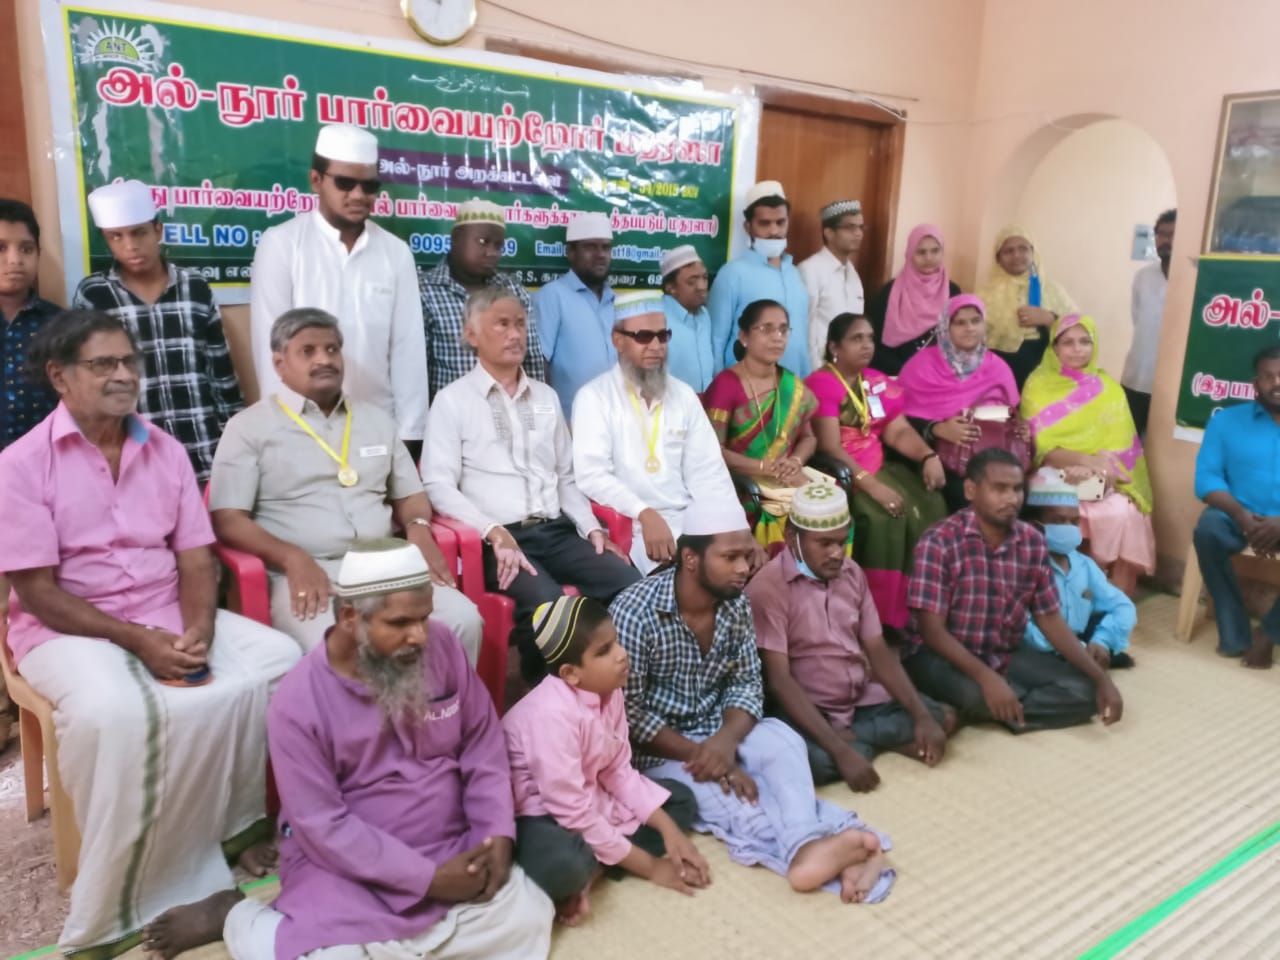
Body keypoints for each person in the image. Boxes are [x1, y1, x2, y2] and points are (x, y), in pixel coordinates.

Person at [0, 309, 300, 954]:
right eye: (102, 364)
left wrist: (194, 629)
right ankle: (121, 892)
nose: (122, 375)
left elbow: (196, 558)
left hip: (168, 610)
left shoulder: (163, 448)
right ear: (60, 376)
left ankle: (233, 833)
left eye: (128, 362)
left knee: (280, 661)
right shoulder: (22, 464)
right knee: (115, 712)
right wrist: (138, 641)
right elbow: (37, 591)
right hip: (66, 627)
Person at [142, 539, 554, 960]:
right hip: (352, 867)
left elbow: (482, 745)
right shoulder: (298, 702)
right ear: (349, 618)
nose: (419, 636)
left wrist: (495, 832)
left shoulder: (442, 646)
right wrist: (425, 880)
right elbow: (322, 824)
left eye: (425, 618)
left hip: (449, 840)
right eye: (399, 623)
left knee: (527, 919)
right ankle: (237, 914)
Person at [611, 501, 895, 905]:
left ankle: (811, 852)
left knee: (781, 742)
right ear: (690, 559)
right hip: (663, 751)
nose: (744, 568)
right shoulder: (635, 612)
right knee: (735, 804)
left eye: (746, 555)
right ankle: (848, 849)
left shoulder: (736, 604)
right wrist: (707, 755)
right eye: (730, 558)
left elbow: (746, 685)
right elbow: (628, 714)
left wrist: (725, 743)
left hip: (721, 731)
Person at [208, 308, 482, 660]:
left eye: (332, 349)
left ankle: (445, 713)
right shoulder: (248, 428)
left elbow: (411, 494)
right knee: (336, 641)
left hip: (385, 563)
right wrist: (292, 557)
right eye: (307, 351)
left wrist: (417, 527)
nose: (324, 359)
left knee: (462, 620)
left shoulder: (375, 420)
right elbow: (228, 518)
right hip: (310, 570)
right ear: (279, 364)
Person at [423, 288, 638, 628]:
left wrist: (591, 527)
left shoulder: (546, 396)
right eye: (502, 324)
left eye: (521, 325)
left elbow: (566, 476)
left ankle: (619, 677)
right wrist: (491, 530)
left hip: (556, 532)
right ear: (471, 334)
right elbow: (438, 485)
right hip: (497, 540)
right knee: (548, 607)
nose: (514, 334)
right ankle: (546, 681)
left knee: (630, 584)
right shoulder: (452, 402)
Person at [504, 596, 710, 926]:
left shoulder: (609, 690)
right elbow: (569, 809)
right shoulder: (550, 716)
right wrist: (652, 867)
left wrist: (670, 831)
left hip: (590, 798)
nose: (621, 655)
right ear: (570, 673)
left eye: (615, 642)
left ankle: (597, 865)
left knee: (681, 800)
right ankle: (594, 865)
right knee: (563, 869)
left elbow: (618, 771)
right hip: (539, 814)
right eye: (604, 651)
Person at [747, 483, 954, 792]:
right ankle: (858, 744)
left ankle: (859, 741)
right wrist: (839, 751)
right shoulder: (769, 588)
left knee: (938, 717)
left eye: (842, 542)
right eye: (825, 543)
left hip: (860, 700)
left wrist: (921, 716)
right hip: (811, 710)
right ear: (793, 539)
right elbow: (780, 682)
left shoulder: (851, 572)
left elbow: (878, 651)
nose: (836, 553)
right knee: (814, 763)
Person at [904, 449, 1125, 732]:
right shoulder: (939, 542)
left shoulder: (1032, 541)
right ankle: (991, 704)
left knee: (1084, 690)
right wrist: (986, 679)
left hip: (1002, 651)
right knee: (976, 693)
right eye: (999, 489)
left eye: (1017, 489)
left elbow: (1050, 619)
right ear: (971, 490)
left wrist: (1101, 680)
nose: (1011, 498)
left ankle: (991, 710)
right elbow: (932, 632)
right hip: (941, 656)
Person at [250, 124, 427, 459]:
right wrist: (284, 434)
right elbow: (269, 351)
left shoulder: (395, 252)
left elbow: (408, 353)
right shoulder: (282, 245)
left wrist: (410, 437)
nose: (359, 195)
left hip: (378, 431)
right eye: (345, 183)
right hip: (303, 432)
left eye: (370, 185)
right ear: (316, 180)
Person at [73, 179, 243, 482]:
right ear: (106, 240)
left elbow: (221, 374)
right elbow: (84, 384)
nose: (130, 246)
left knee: (210, 529)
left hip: (202, 450)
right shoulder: (94, 295)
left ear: (158, 230)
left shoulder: (195, 289)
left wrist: (238, 441)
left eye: (139, 232)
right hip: (131, 455)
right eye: (116, 237)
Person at [572, 291, 738, 573]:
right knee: (686, 581)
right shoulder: (594, 397)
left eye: (663, 336)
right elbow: (592, 475)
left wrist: (735, 528)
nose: (656, 346)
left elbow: (709, 472)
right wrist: (644, 512)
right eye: (643, 336)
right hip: (635, 526)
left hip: (692, 522)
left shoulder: (683, 395)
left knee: (737, 572)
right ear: (618, 340)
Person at [806, 313, 947, 629]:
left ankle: (921, 608)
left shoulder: (876, 380)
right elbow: (829, 448)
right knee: (885, 516)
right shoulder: (821, 384)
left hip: (879, 465)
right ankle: (880, 616)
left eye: (870, 338)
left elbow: (897, 431)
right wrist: (870, 486)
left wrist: (927, 456)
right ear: (834, 347)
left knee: (931, 504)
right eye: (857, 338)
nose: (867, 345)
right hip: (843, 471)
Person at [1021, 314, 1154, 596]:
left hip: (1102, 475)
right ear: (1054, 348)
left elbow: (1121, 448)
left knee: (1124, 511)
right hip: (1049, 470)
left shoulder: (1109, 389)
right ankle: (1061, 595)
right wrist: (1083, 462)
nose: (1077, 348)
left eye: (1085, 341)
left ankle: (1111, 601)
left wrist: (1099, 471)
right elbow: (1039, 444)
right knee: (1059, 500)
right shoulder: (1038, 384)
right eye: (1068, 342)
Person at [704, 299, 820, 551]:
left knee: (827, 518)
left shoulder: (792, 385)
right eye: (766, 329)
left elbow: (809, 438)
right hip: (739, 487)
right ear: (744, 336)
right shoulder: (726, 385)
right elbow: (713, 452)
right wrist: (762, 467)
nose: (777, 337)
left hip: (786, 481)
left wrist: (795, 462)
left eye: (783, 329)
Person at [1192, 344, 1280, 668]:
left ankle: (1269, 635)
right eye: (1268, 376)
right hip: (1238, 517)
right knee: (1208, 530)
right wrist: (1243, 517)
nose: (1277, 382)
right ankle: (1235, 635)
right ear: (1256, 383)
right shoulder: (1227, 422)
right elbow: (1207, 479)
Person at [899, 294, 1025, 512]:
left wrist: (1021, 429)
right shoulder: (920, 367)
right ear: (945, 327)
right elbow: (899, 420)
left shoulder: (998, 368)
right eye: (960, 322)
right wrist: (938, 429)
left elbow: (1013, 414)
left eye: (976, 321)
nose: (969, 328)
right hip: (939, 459)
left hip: (992, 456)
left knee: (1015, 490)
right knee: (967, 493)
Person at [418, 197, 547, 400]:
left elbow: (531, 361)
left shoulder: (513, 290)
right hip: (453, 420)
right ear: (456, 239)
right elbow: (417, 371)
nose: (491, 253)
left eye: (498, 245)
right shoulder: (425, 291)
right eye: (482, 242)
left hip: (512, 416)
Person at [1022, 469, 1136, 669]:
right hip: (1040, 651)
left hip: (1078, 643)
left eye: (1074, 522)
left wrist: (1101, 641)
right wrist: (1078, 650)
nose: (1069, 528)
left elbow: (1123, 607)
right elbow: (1026, 630)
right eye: (1059, 521)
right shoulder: (1023, 567)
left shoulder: (1084, 565)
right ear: (1035, 525)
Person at [708, 181, 811, 376]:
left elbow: (800, 341)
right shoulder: (732, 274)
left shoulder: (794, 274)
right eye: (765, 223)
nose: (774, 231)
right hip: (746, 390)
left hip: (793, 387)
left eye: (780, 222)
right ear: (748, 226)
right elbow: (716, 341)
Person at [534, 212, 616, 416]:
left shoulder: (617, 301)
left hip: (616, 423)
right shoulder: (552, 296)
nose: (600, 255)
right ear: (571, 252)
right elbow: (537, 364)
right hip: (569, 424)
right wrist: (550, 420)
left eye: (606, 247)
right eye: (590, 247)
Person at [979, 225, 1077, 389]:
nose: (1016, 255)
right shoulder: (984, 295)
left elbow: (1080, 327)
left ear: (1033, 253)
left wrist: (1049, 318)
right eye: (1008, 251)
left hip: (1045, 370)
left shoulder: (1051, 289)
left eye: (1023, 248)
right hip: (998, 372)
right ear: (998, 258)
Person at [0, 198, 59, 450]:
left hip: (44, 464)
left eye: (26, 249)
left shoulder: (59, 323)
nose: (14, 260)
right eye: (1, 248)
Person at [865, 224, 961, 377]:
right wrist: (907, 370)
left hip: (937, 377)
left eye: (935, 251)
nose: (928, 258)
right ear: (910, 254)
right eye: (921, 252)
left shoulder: (953, 292)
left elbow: (958, 342)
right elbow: (871, 341)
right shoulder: (890, 292)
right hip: (894, 375)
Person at [1122, 209, 1176, 436]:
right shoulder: (1143, 277)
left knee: (1161, 444)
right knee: (1127, 439)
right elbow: (1137, 318)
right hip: (1137, 376)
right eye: (1161, 234)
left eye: (1173, 234)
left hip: (1173, 385)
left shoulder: (1198, 277)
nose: (1166, 240)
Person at [797, 199, 866, 372]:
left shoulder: (854, 275)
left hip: (848, 371)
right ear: (829, 232)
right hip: (818, 370)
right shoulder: (810, 270)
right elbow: (805, 329)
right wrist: (814, 374)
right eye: (850, 227)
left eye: (861, 227)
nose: (858, 233)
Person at [660, 244, 718, 391]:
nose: (702, 286)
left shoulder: (704, 315)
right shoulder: (657, 318)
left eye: (704, 278)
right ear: (670, 287)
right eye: (692, 281)